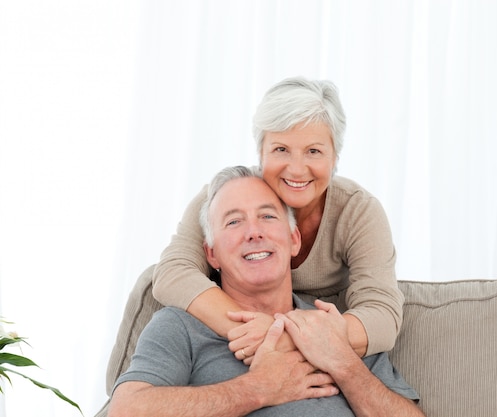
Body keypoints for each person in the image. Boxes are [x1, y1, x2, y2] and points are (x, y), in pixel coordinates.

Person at [109, 166, 424, 417]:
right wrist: (257, 389)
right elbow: (126, 410)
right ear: (212, 254)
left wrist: (344, 364)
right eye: (234, 222)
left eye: (267, 216)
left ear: (294, 241)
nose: (254, 232)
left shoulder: (333, 327)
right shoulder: (181, 325)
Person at [152, 77, 403, 360]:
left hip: (320, 328)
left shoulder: (358, 211)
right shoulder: (223, 196)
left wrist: (281, 336)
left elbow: (381, 316)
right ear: (261, 153)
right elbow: (172, 272)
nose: (296, 169)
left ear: (335, 158)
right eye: (281, 149)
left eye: (314, 151)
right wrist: (253, 331)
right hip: (237, 330)